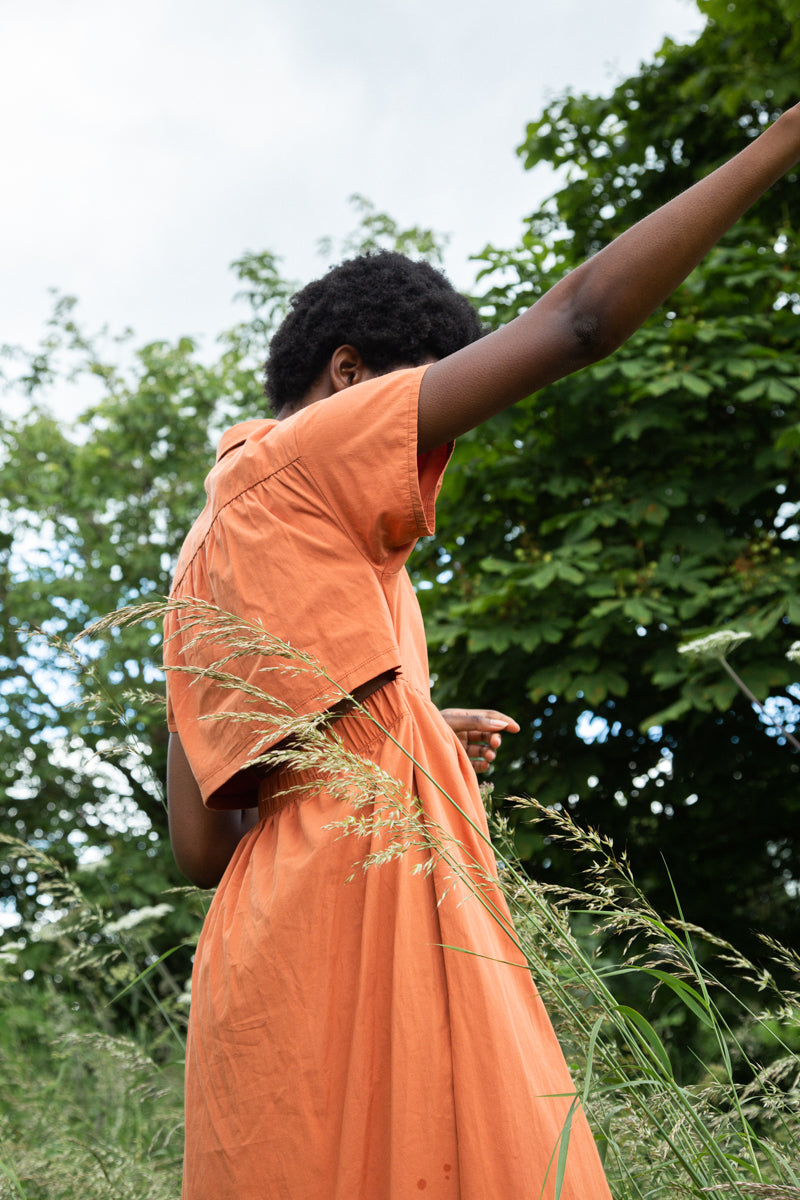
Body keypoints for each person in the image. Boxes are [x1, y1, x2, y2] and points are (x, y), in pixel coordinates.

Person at [164, 102, 800, 1199]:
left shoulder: (208, 557)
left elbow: (201, 846)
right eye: (426, 406)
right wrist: (777, 142)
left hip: (266, 982)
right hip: (361, 934)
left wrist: (396, 731)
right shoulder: (307, 450)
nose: (428, 452)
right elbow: (581, 323)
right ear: (348, 374)